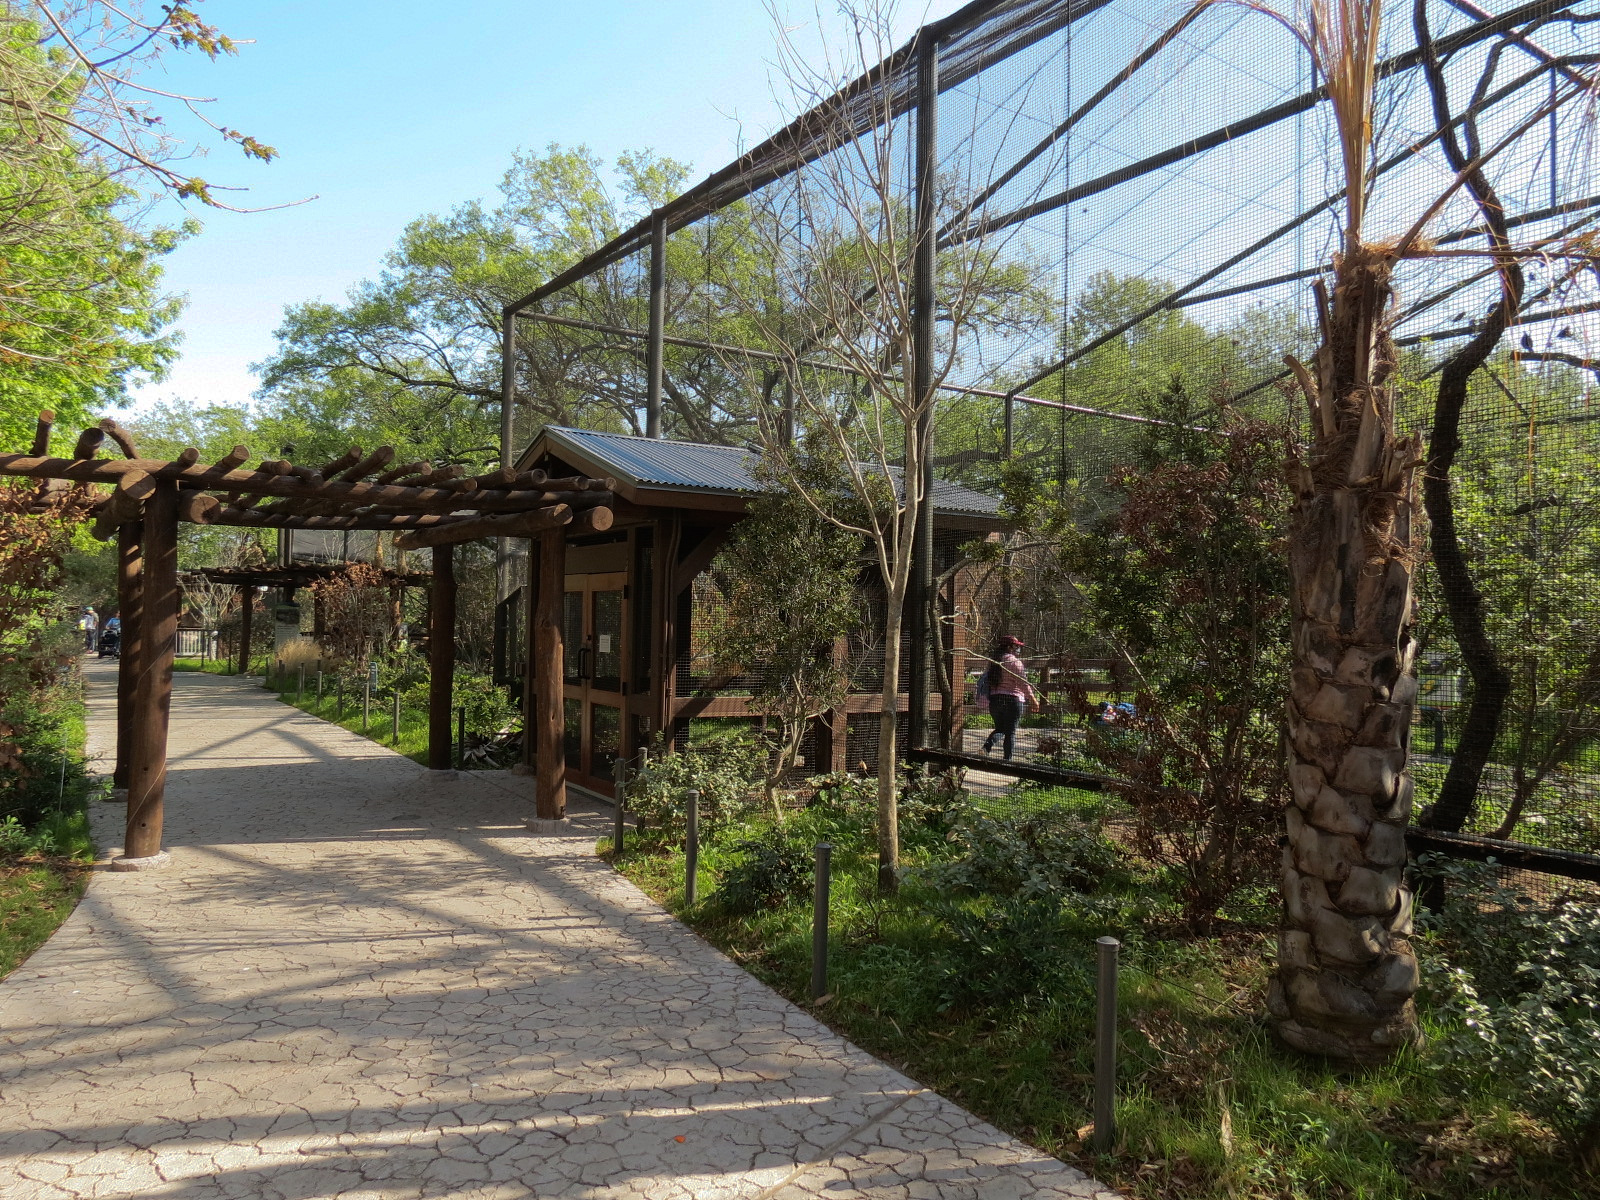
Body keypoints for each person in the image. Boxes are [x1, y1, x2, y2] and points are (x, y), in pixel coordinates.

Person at [981, 635, 1035, 760]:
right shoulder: (1014, 662)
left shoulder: (993, 662)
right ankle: (1007, 762)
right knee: (1010, 732)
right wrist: (1032, 699)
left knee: (1000, 729)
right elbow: (1023, 683)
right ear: (1009, 647)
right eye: (1016, 646)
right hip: (1012, 701)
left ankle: (986, 748)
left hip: (995, 700)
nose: (1017, 649)